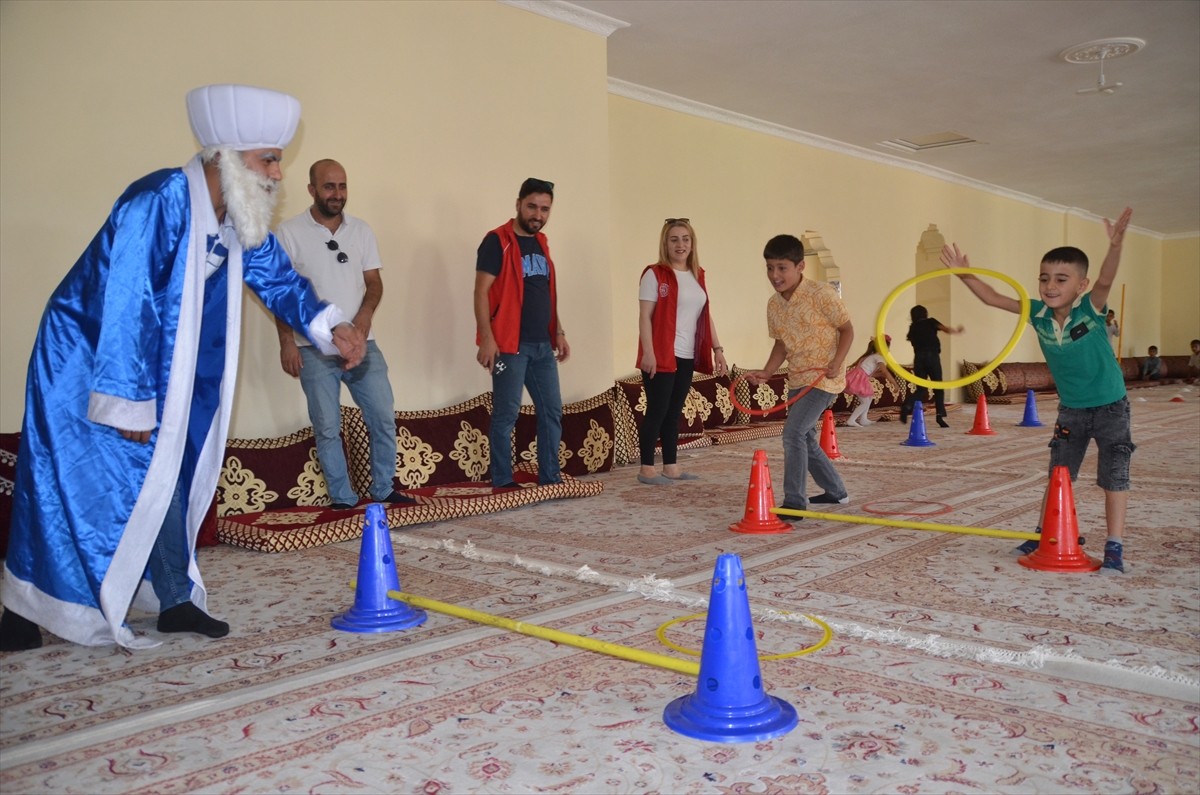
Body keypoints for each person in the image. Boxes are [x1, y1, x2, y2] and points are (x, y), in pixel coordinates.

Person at [0, 84, 366, 652]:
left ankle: (173, 601)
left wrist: (331, 326)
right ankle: (19, 609)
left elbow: (276, 279)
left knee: (164, 471)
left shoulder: (238, 216)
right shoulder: (159, 198)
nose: (276, 172)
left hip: (152, 366)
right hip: (85, 355)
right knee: (63, 480)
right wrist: (128, 396)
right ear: (226, 158)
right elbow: (129, 300)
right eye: (268, 159)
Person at [941, 206, 1134, 572]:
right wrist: (963, 273)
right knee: (1059, 472)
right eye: (1045, 278)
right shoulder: (1036, 312)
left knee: (1114, 476)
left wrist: (1116, 245)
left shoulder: (1090, 310)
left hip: (1111, 406)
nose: (1050, 286)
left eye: (1062, 279)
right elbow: (992, 297)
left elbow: (1107, 279)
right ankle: (1048, 531)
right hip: (1071, 409)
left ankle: (1114, 544)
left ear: (1081, 285)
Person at [276, 160, 413, 510]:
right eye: (329, 187)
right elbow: (281, 294)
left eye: (342, 186)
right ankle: (343, 500)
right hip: (312, 349)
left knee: (382, 415)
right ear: (312, 190)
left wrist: (364, 318)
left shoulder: (362, 230)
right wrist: (287, 342)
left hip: (362, 345)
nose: (337, 194)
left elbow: (374, 283)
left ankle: (383, 489)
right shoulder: (289, 233)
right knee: (327, 426)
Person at [745, 234, 854, 516]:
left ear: (800, 266)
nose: (774, 275)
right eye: (770, 267)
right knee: (804, 437)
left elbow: (847, 330)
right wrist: (768, 372)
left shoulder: (822, 294)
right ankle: (836, 492)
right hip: (797, 378)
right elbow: (781, 343)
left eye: (782, 267)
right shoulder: (773, 305)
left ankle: (795, 502)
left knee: (793, 433)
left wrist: (837, 361)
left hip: (824, 378)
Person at [474, 178, 569, 488]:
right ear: (518, 204)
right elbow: (480, 292)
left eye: (544, 209)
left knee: (552, 411)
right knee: (506, 415)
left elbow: (546, 292)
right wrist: (487, 338)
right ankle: (502, 480)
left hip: (542, 345)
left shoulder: (542, 243)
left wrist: (559, 331)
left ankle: (550, 477)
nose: (538, 215)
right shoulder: (496, 240)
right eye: (532, 206)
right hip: (509, 346)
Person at [635, 218, 728, 485]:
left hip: (687, 354)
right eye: (674, 239)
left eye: (685, 239)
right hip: (661, 354)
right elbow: (644, 316)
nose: (680, 244)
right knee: (658, 409)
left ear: (692, 242)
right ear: (665, 243)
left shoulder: (698, 275)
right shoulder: (655, 274)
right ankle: (646, 469)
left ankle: (671, 467)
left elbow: (706, 316)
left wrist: (717, 349)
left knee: (674, 411)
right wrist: (648, 353)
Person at [899, 305, 964, 428]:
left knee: (921, 389)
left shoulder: (913, 327)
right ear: (925, 313)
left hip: (918, 359)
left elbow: (912, 340)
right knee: (938, 386)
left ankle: (907, 405)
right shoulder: (931, 322)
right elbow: (946, 329)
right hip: (932, 357)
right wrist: (957, 331)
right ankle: (940, 416)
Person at [844, 336, 899, 427]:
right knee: (865, 401)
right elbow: (885, 371)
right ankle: (851, 420)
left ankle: (863, 419)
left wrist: (880, 375)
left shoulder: (872, 356)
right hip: (859, 379)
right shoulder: (879, 357)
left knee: (868, 398)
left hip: (859, 378)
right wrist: (894, 384)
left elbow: (868, 373)